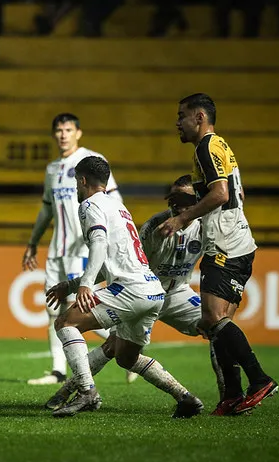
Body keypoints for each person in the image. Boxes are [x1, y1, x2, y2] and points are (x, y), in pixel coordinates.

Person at [46, 175, 223, 413]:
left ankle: (231, 393)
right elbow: (126, 264)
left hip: (171, 293)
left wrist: (79, 285)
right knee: (119, 352)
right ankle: (185, 397)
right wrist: (74, 285)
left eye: (184, 199)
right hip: (149, 289)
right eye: (172, 198)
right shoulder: (154, 227)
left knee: (218, 326)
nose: (176, 204)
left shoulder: (208, 225)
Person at [158, 93, 277, 415]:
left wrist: (183, 217)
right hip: (237, 237)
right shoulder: (221, 145)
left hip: (224, 243)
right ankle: (232, 396)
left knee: (211, 318)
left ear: (199, 117)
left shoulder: (205, 147)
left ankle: (259, 380)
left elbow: (221, 193)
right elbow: (236, 190)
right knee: (217, 324)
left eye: (182, 115)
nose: (177, 122)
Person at [22, 113, 122, 386]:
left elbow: (114, 200)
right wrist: (32, 242)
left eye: (68, 129)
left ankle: (124, 343)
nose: (63, 134)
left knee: (78, 309)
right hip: (57, 249)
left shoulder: (91, 161)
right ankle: (57, 371)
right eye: (58, 130)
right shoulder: (52, 169)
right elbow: (46, 209)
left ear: (78, 133)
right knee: (53, 310)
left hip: (83, 248)